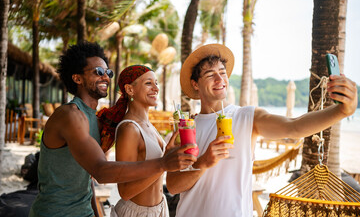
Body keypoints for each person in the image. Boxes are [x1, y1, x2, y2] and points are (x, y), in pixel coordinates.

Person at [166, 43, 358, 217]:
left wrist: (341, 111)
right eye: (210, 75)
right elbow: (173, 186)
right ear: (195, 84)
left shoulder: (246, 117)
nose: (219, 79)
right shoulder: (186, 128)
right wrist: (204, 163)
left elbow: (294, 126)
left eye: (223, 72)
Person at [29, 42, 197, 217]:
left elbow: (88, 180)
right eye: (98, 72)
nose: (106, 77)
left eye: (108, 72)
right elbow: (101, 171)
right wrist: (163, 163)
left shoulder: (96, 121)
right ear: (77, 78)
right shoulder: (70, 115)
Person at [98, 65, 174, 216]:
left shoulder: (149, 126)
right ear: (130, 89)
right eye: (148, 83)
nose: (156, 88)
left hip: (159, 209)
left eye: (156, 83)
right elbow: (125, 192)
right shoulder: (129, 129)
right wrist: (164, 164)